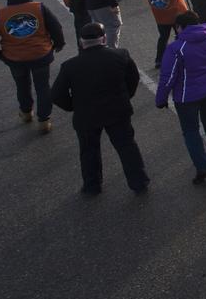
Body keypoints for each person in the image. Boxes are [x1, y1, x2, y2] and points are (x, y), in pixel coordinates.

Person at [51, 21, 150, 195]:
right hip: (117, 111)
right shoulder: (120, 55)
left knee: (89, 151)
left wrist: (73, 106)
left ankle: (92, 186)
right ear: (104, 39)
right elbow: (133, 80)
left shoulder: (70, 66)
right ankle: (139, 181)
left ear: (81, 42)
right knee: (127, 147)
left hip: (86, 115)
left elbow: (57, 94)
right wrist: (125, 97)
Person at [0, 0, 66, 134]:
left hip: (14, 58)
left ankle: (26, 112)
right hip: (40, 54)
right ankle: (44, 119)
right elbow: (56, 27)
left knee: (22, 85)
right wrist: (58, 43)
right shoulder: (39, 8)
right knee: (43, 86)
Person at [155, 11, 206, 184]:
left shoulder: (176, 48)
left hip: (187, 95)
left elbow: (168, 77)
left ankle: (202, 167)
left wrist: (161, 98)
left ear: (179, 27)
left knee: (191, 130)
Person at [143, 0, 190, 68]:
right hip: (177, 16)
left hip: (161, 18)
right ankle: (180, 57)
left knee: (163, 38)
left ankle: (159, 60)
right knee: (181, 37)